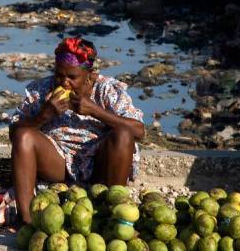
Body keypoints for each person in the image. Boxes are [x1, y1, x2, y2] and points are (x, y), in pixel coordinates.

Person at [9, 37, 145, 224]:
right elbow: (14, 132)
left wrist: (95, 111)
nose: (64, 83)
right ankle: (26, 219)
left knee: (123, 134)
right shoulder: (42, 90)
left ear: (88, 76)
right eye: (59, 75)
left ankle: (112, 214)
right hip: (58, 162)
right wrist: (43, 115)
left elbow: (139, 131)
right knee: (23, 136)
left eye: (72, 77)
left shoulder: (107, 90)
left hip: (99, 163)